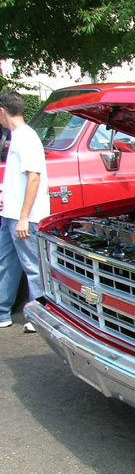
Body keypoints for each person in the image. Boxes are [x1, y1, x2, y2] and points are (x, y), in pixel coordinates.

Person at [0, 91, 49, 333]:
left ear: (2, 110)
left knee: (32, 266)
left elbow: (34, 178)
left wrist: (23, 217)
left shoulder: (26, 138)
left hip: (24, 219)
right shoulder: (17, 136)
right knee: (7, 263)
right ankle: (2, 312)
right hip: (10, 216)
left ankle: (37, 315)